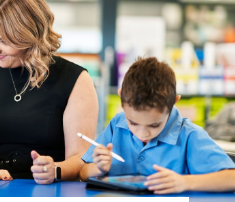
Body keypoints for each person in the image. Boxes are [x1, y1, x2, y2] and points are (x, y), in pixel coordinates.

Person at [0, 0, 98, 184]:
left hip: (50, 191)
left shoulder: (76, 80)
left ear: (29, 38)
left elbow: (80, 159)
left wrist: (54, 169)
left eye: (3, 41)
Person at [79, 57, 235, 194]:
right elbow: (83, 173)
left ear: (173, 102)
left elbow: (231, 178)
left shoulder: (189, 135)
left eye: (154, 125)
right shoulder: (117, 124)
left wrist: (185, 182)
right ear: (121, 98)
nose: (142, 133)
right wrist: (99, 168)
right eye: (133, 122)